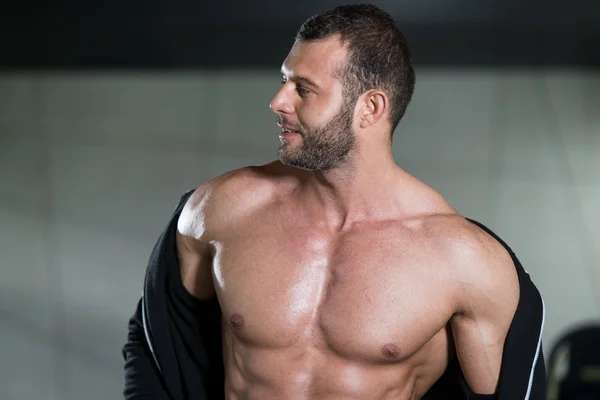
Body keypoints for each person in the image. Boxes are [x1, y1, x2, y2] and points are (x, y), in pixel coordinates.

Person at [123, 4, 546, 399]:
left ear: (371, 108)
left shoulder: (464, 261)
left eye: (303, 89)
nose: (278, 101)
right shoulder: (221, 209)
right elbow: (156, 345)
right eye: (285, 80)